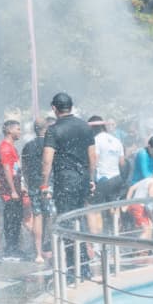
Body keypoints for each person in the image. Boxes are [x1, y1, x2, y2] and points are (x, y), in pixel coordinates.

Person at [40, 93, 96, 283]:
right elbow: (92, 156)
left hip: (65, 182)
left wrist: (44, 183)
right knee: (81, 222)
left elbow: (47, 159)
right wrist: (91, 178)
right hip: (82, 179)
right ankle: (86, 268)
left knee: (67, 224)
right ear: (70, 107)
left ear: (55, 109)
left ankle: (73, 270)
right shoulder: (85, 126)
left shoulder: (53, 130)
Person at [21, 118, 51, 262]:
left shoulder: (28, 146)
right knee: (50, 215)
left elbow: (24, 167)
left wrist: (27, 182)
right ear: (47, 128)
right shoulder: (50, 144)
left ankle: (38, 253)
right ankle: (50, 248)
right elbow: (50, 164)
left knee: (37, 216)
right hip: (48, 184)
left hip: (33, 184)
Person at [0, 119, 25, 260]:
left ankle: (15, 248)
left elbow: (15, 168)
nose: (20, 132)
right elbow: (7, 169)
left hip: (16, 189)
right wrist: (13, 190)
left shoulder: (11, 147)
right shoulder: (5, 148)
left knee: (16, 219)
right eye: (18, 129)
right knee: (10, 220)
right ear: (9, 131)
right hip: (9, 192)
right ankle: (10, 250)